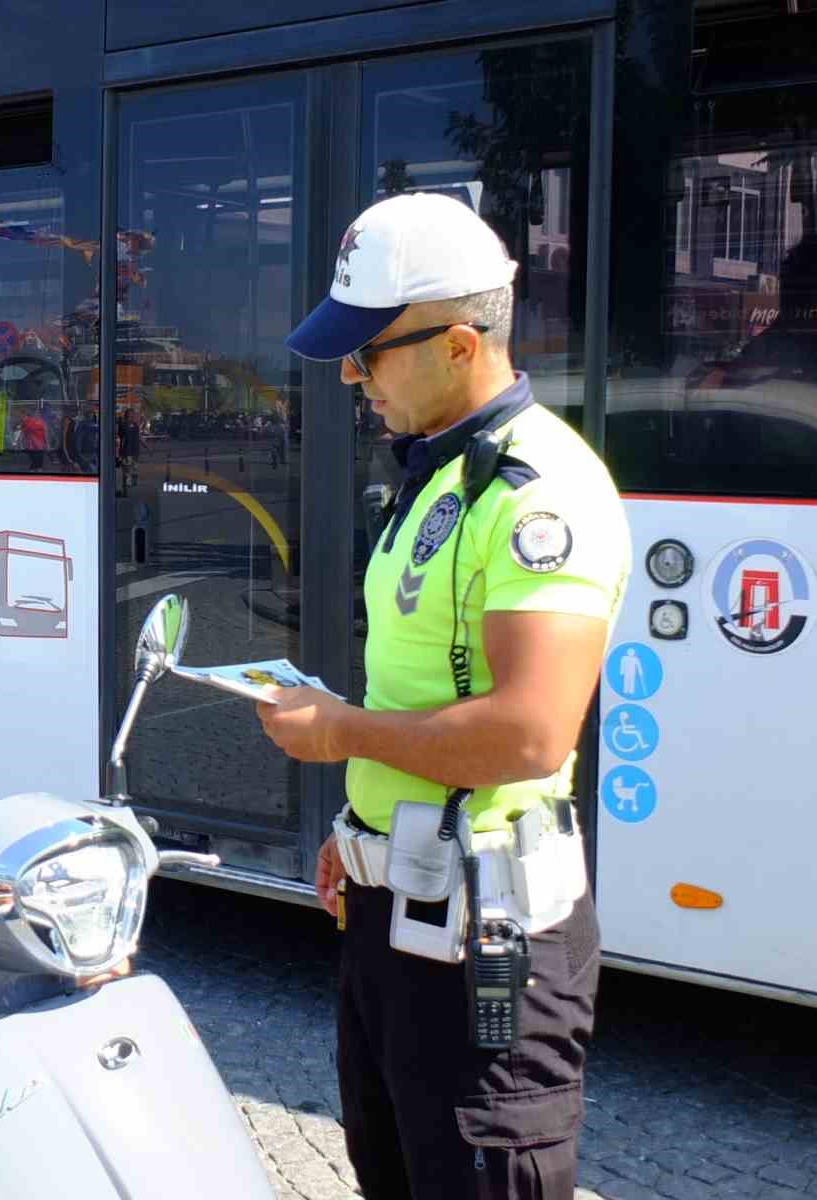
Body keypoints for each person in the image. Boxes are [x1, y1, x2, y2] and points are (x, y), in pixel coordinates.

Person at [255, 193, 630, 1200]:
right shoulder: (437, 472)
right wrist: (362, 822)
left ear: (461, 343)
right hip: (401, 906)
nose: (349, 375)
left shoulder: (535, 490)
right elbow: (425, 687)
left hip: (484, 932)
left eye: (368, 351)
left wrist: (338, 733)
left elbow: (527, 732)